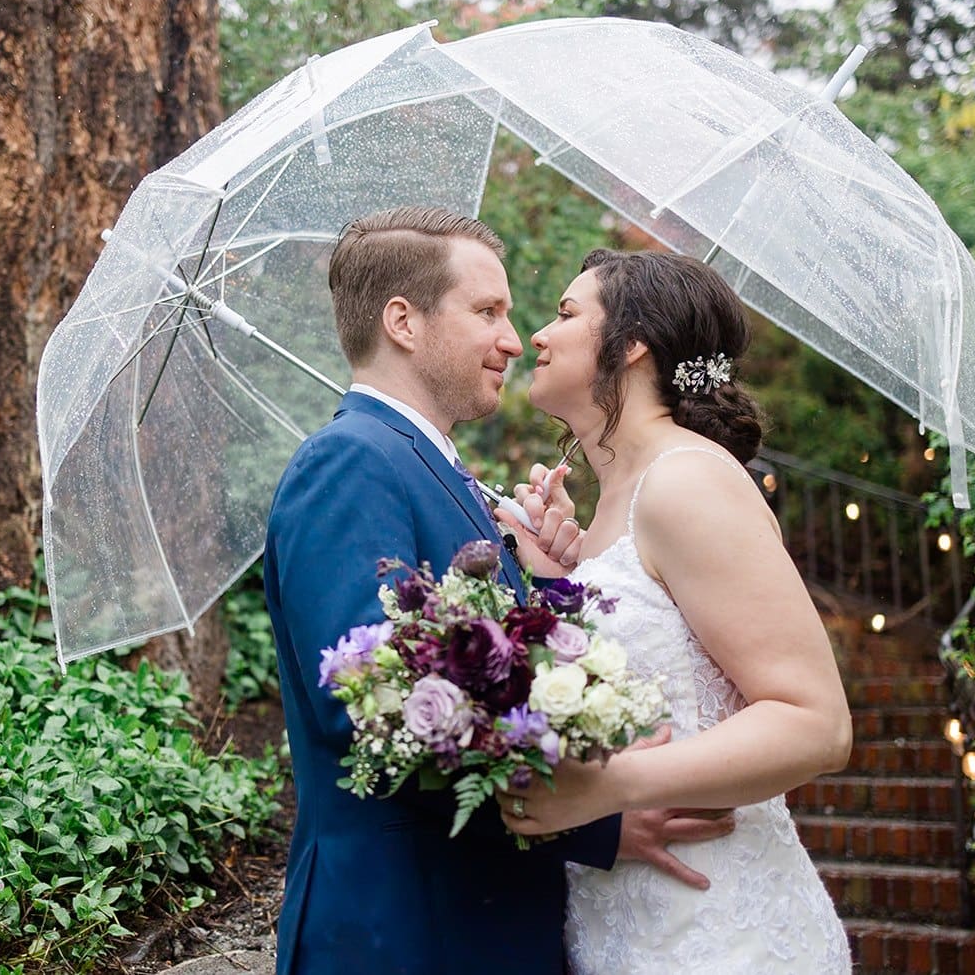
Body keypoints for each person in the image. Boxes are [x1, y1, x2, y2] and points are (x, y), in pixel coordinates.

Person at [263, 211, 734, 975]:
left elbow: (489, 675)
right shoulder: (349, 462)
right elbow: (370, 712)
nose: (515, 340)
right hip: (407, 931)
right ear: (403, 322)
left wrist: (549, 584)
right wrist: (595, 820)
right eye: (488, 312)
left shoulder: (440, 472)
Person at [496, 248, 853, 972]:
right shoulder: (607, 513)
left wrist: (611, 785)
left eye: (565, 315)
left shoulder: (686, 480)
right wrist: (556, 579)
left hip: (720, 935)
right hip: (626, 930)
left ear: (632, 345)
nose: (536, 335)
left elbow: (817, 722)